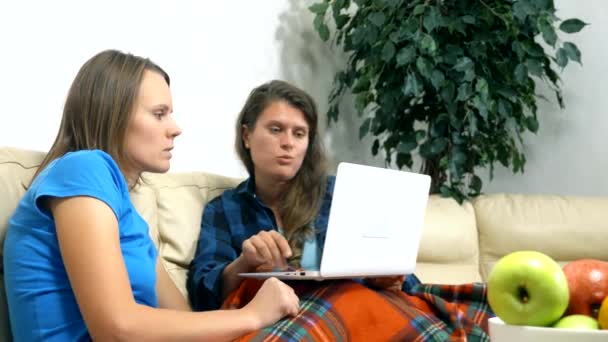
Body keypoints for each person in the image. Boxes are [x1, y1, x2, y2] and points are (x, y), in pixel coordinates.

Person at [3, 50, 299, 342]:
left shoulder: (129, 220)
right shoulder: (83, 168)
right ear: (113, 114)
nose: (175, 128)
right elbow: (116, 329)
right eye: (159, 114)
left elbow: (184, 319)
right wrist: (252, 316)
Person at [187, 80, 407, 311]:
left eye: (299, 133)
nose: (288, 143)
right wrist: (245, 263)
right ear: (247, 136)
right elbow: (202, 294)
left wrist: (389, 280)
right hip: (285, 320)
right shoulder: (223, 209)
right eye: (276, 130)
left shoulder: (340, 194)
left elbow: (403, 278)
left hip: (356, 310)